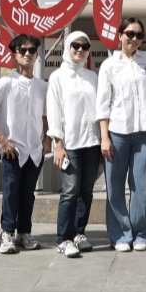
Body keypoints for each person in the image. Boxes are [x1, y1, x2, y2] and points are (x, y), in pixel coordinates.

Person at [0, 33, 49, 255]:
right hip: (13, 149)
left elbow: (46, 116)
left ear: (37, 55)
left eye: (32, 50)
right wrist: (1, 139)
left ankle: (24, 232)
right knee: (11, 192)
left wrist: (47, 139)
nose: (27, 54)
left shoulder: (43, 87)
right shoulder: (5, 83)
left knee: (28, 193)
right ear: (14, 54)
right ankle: (7, 232)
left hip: (35, 150)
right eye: (22, 50)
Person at [97, 17, 146, 251]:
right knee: (114, 186)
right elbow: (103, 104)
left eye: (139, 35)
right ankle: (120, 235)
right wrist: (104, 137)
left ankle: (141, 233)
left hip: (144, 133)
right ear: (120, 35)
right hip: (117, 133)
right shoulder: (109, 65)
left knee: (142, 186)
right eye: (130, 34)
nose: (134, 38)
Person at [47, 31, 102, 258]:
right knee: (70, 191)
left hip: (92, 142)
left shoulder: (92, 76)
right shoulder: (57, 77)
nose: (80, 50)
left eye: (85, 46)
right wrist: (58, 144)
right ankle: (64, 239)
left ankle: (79, 233)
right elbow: (54, 112)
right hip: (70, 143)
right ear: (67, 48)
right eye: (75, 46)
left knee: (86, 191)